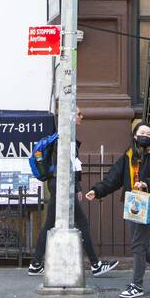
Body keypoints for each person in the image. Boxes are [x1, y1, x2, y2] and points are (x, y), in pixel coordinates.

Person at [87, 121, 150, 298]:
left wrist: (146, 184)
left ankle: (137, 286)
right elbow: (113, 178)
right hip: (133, 205)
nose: (145, 136)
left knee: (138, 245)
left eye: (149, 134)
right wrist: (97, 190)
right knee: (140, 246)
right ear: (135, 136)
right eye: (142, 133)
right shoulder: (128, 156)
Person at [26, 109, 118, 278]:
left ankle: (35, 264)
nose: (82, 116)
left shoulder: (63, 137)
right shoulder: (66, 138)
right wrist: (75, 188)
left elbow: (71, 164)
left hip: (58, 184)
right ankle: (96, 265)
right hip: (62, 185)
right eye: (79, 113)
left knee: (49, 224)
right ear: (70, 116)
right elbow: (66, 166)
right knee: (81, 222)